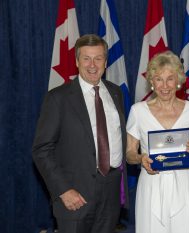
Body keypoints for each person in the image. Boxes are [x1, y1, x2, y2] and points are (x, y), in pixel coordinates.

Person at [32, 34, 128, 233]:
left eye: (98, 58)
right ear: (77, 61)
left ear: (106, 61)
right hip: (74, 195)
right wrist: (63, 190)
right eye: (86, 58)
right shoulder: (58, 98)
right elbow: (42, 150)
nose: (92, 64)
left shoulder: (116, 92)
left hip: (110, 191)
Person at [126, 51, 189, 233]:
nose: (164, 85)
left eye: (170, 79)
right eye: (158, 79)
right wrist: (141, 159)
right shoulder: (138, 111)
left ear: (178, 81)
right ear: (151, 82)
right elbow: (130, 153)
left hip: (185, 187)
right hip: (152, 184)